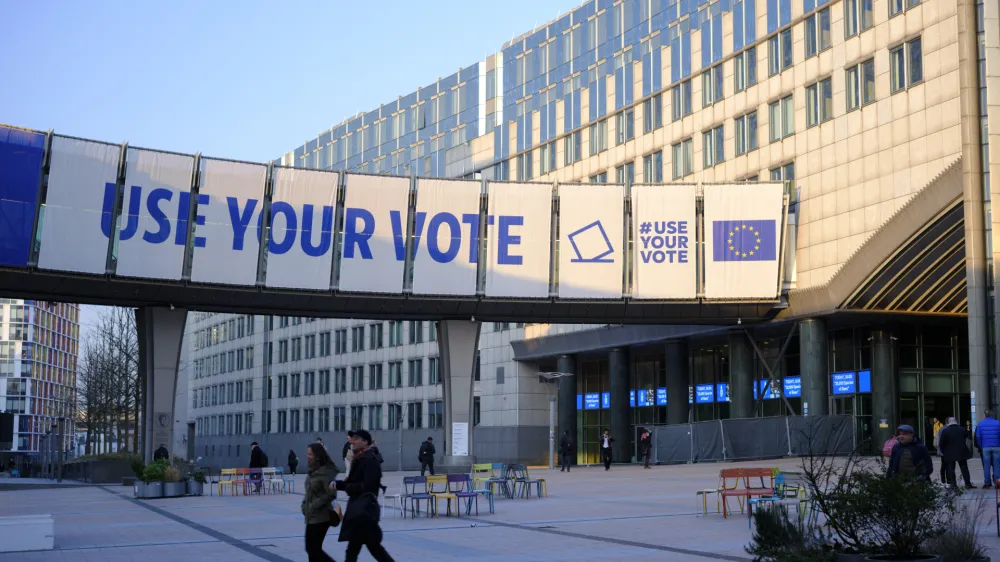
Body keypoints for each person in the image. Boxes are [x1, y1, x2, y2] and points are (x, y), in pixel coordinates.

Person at [331, 430, 394, 562]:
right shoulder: (361, 457)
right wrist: (338, 484)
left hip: (364, 511)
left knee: (367, 549)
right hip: (360, 510)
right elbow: (354, 482)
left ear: (365, 442)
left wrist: (347, 487)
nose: (351, 441)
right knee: (363, 549)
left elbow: (367, 486)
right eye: (351, 438)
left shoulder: (369, 459)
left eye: (356, 439)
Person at [301, 442, 338, 562]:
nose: (308, 456)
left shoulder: (326, 472)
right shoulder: (312, 470)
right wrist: (304, 503)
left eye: (310, 454)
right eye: (308, 454)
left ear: (317, 455)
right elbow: (309, 491)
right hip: (311, 515)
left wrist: (314, 505)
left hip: (321, 516)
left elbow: (331, 494)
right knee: (312, 551)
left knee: (313, 550)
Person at [938, 417, 975, 488]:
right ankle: (967, 483)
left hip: (949, 453)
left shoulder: (945, 431)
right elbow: (967, 436)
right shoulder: (962, 429)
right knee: (964, 468)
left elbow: (941, 443)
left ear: (948, 422)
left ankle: (953, 484)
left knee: (951, 469)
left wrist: (944, 451)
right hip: (961, 452)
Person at [975, 410, 1000, 488]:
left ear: (985, 416)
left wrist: (981, 444)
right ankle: (997, 483)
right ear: (992, 416)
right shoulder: (998, 423)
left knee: (986, 465)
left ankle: (987, 483)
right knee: (997, 465)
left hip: (985, 447)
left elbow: (978, 436)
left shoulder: (980, 423)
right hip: (996, 446)